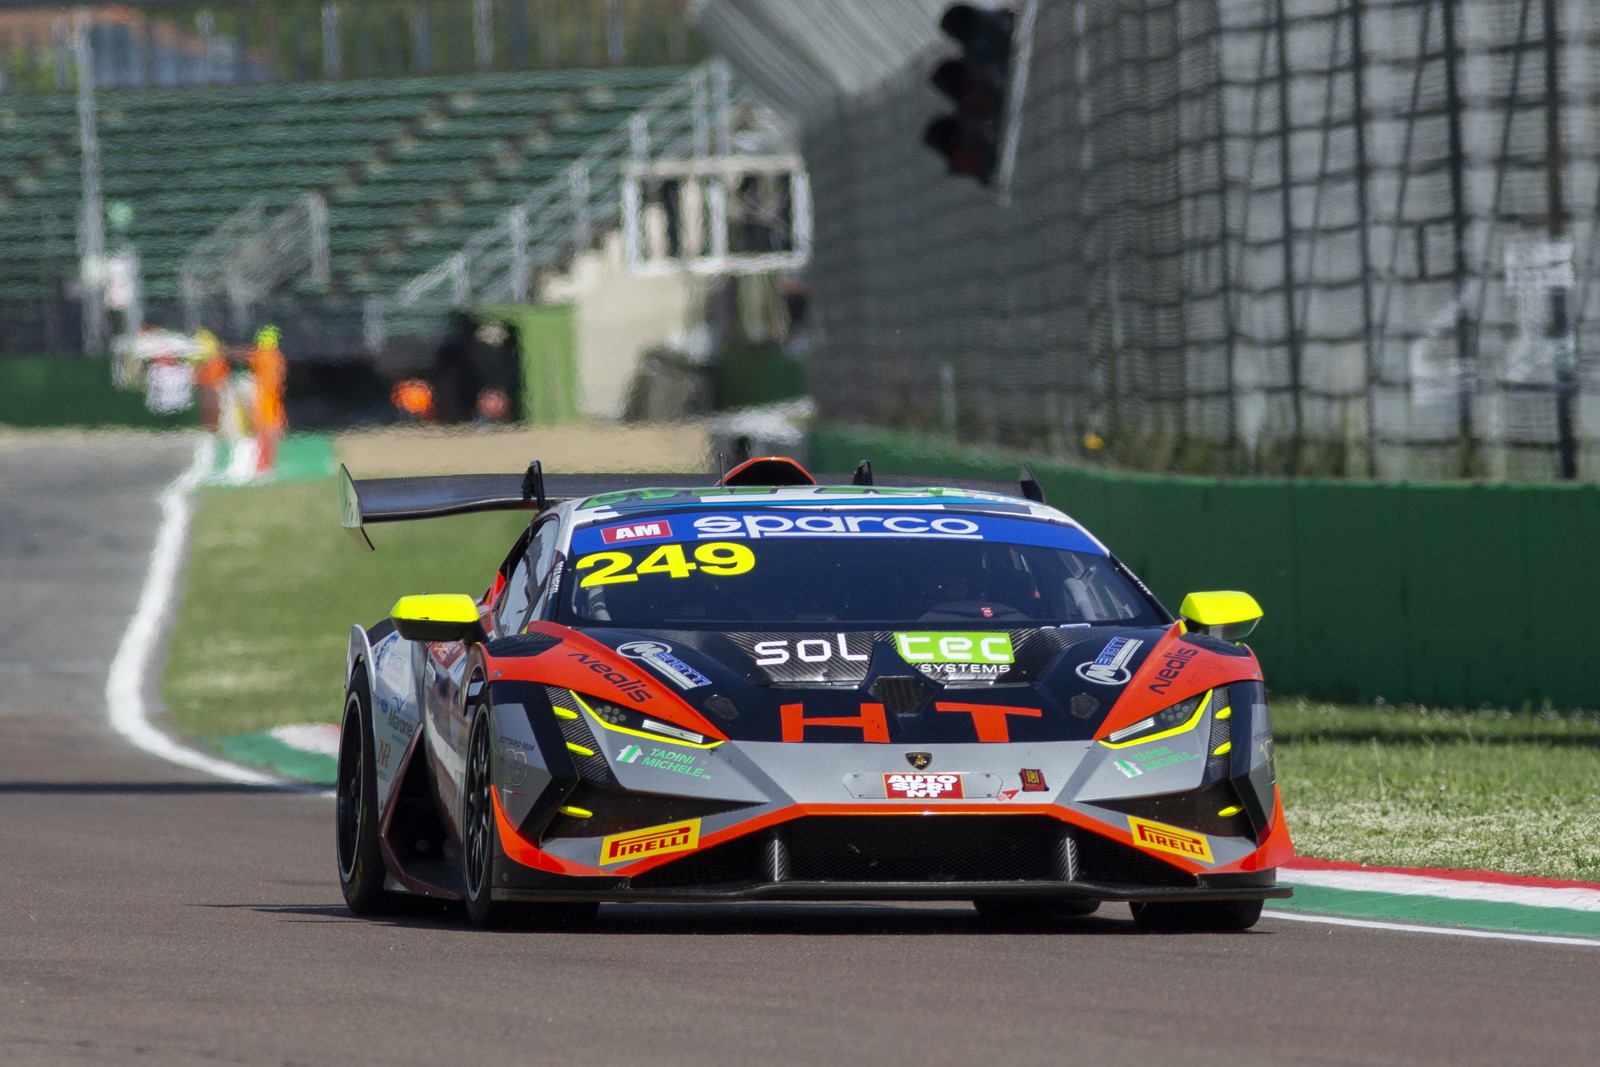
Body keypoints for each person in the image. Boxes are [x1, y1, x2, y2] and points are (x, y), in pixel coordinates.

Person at [248, 325, 288, 475]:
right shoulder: (276, 356)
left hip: (264, 397)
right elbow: (281, 376)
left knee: (264, 431)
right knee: (270, 431)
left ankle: (263, 465)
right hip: (271, 397)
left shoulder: (260, 355)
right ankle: (268, 464)